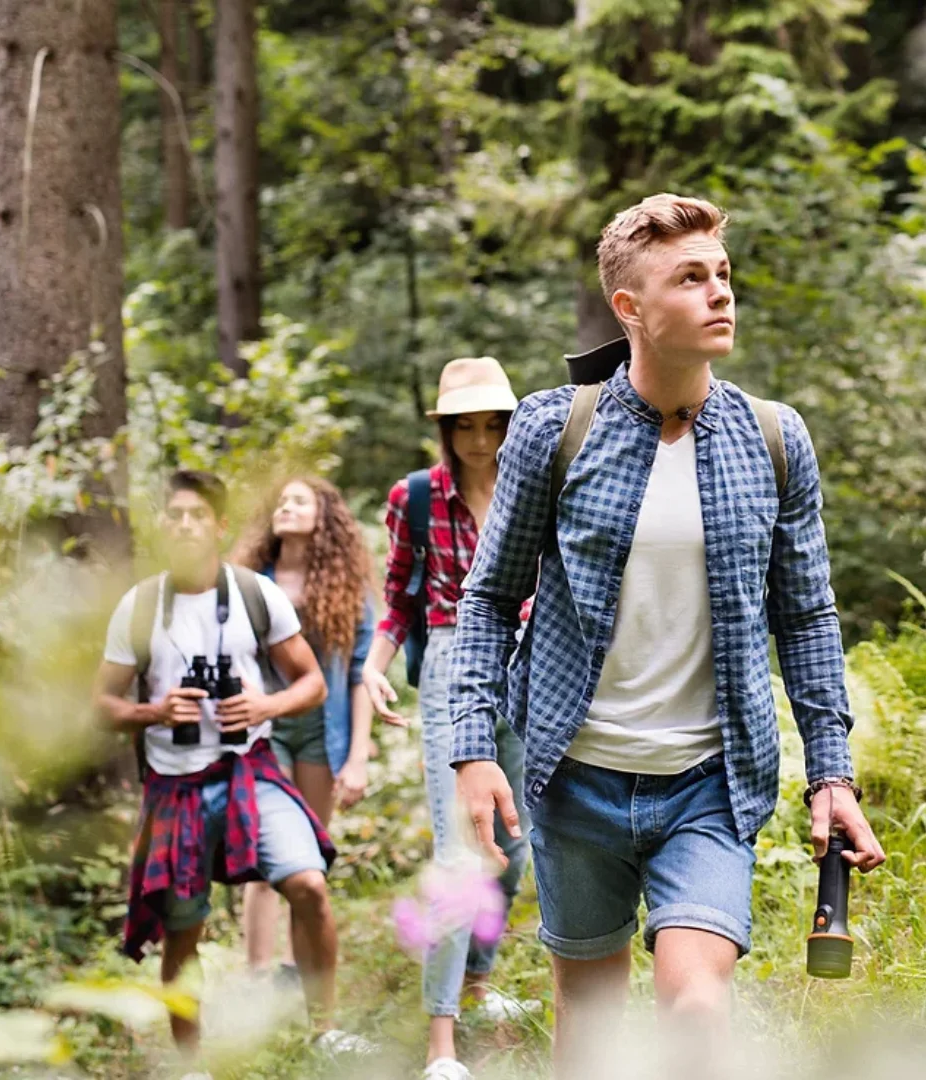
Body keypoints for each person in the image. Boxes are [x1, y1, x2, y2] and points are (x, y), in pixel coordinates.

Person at [447, 194, 886, 1072]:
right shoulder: (554, 429)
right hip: (576, 780)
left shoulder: (773, 439)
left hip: (708, 785)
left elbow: (805, 616)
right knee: (594, 1021)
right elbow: (489, 598)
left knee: (695, 1006)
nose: (720, 292)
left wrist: (830, 773)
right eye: (691, 277)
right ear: (630, 309)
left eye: (722, 273)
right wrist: (473, 749)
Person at [93, 470, 370, 1070]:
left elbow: (313, 682)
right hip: (175, 784)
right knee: (183, 928)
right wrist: (154, 710)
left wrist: (264, 705)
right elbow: (102, 705)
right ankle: (190, 1061)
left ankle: (325, 1030)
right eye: (176, 516)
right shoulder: (139, 607)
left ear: (219, 526)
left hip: (249, 768)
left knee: (309, 885)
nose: (186, 525)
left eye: (199, 516)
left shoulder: (253, 594)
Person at [363, 357, 532, 1080]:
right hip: (452, 664)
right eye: (465, 425)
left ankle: (478, 979)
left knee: (515, 843)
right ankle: (440, 1041)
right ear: (445, 429)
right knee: (458, 853)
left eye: (493, 424)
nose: (480, 440)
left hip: (528, 666)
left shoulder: (531, 485)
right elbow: (399, 598)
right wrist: (373, 666)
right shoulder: (418, 498)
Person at [235, 476, 375, 985]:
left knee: (305, 852)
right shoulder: (248, 580)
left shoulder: (343, 587)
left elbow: (361, 673)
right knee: (260, 852)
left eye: (298, 500)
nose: (285, 506)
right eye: (281, 499)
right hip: (261, 730)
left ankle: (294, 971)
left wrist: (358, 755)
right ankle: (256, 977)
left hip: (321, 730)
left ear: (324, 517)